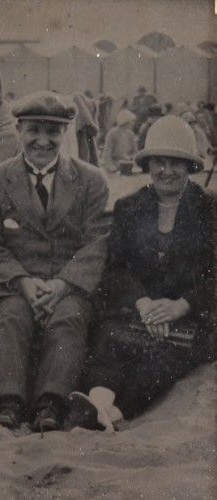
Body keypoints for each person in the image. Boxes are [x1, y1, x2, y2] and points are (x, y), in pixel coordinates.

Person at [0, 90, 110, 432]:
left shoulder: (91, 180)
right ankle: (7, 402)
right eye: (34, 130)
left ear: (65, 135)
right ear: (18, 131)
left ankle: (51, 402)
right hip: (15, 286)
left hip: (69, 286)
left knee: (70, 318)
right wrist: (23, 282)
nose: (42, 141)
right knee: (11, 316)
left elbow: (98, 242)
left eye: (53, 132)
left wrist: (63, 284)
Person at [82, 115, 216, 422]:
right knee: (109, 341)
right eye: (159, 162)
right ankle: (97, 402)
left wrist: (181, 306)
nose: (166, 171)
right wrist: (144, 304)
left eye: (176, 163)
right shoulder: (128, 206)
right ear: (148, 164)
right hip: (138, 312)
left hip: (188, 318)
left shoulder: (210, 208)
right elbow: (116, 269)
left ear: (191, 167)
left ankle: (116, 413)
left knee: (160, 361)